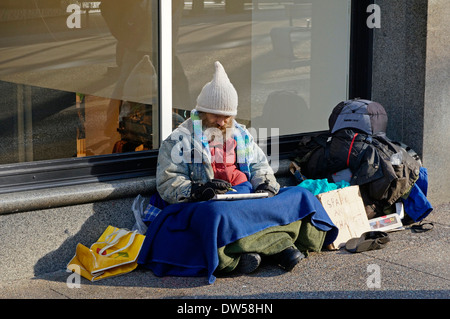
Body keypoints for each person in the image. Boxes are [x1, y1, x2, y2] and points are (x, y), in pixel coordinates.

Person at [155, 61, 312, 274]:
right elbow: (167, 182)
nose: (221, 122)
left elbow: (259, 165)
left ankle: (246, 253)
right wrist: (198, 191)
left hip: (245, 197)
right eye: (215, 115)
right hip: (206, 203)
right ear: (202, 112)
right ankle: (279, 247)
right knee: (218, 215)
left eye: (226, 116)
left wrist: (264, 185)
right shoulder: (178, 139)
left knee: (300, 196)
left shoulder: (241, 134)